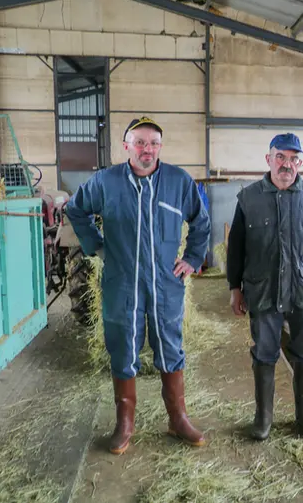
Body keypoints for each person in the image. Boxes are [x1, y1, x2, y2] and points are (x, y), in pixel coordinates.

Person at [65, 116, 211, 454]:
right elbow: (76, 209)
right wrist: (97, 245)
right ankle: (124, 424)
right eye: (140, 142)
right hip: (122, 282)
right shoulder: (105, 182)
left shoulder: (178, 181)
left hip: (165, 282)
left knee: (170, 346)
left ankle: (178, 419)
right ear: (126, 145)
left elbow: (200, 221)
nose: (147, 149)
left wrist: (192, 257)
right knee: (122, 346)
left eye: (154, 143)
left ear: (161, 147)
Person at [226, 132, 303, 441]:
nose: (287, 165)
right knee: (264, 351)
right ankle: (264, 417)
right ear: (268, 159)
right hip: (263, 289)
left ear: (300, 163)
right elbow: (236, 247)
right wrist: (235, 288)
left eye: (293, 159)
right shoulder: (249, 197)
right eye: (280, 157)